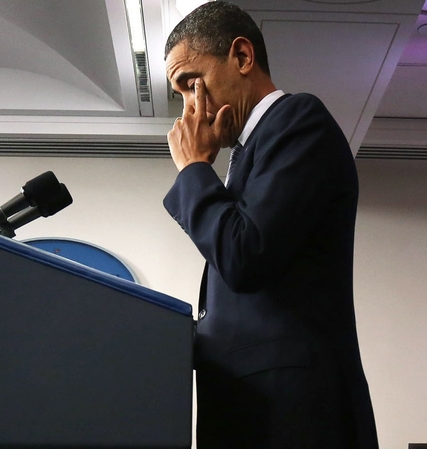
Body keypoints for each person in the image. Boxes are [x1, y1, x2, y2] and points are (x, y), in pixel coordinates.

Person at [162, 2, 378, 448]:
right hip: (255, 409)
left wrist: (192, 170)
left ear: (242, 57)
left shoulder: (298, 120)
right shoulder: (244, 155)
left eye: (190, 84)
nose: (187, 111)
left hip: (294, 414)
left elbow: (245, 256)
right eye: (179, 94)